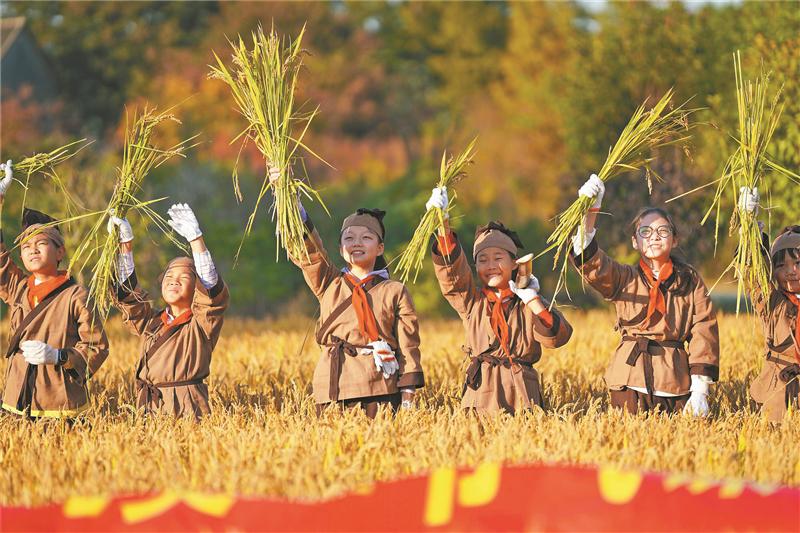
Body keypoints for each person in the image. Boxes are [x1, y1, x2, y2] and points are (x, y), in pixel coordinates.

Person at [268, 167, 425, 417]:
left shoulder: (394, 291)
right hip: (333, 386)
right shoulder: (329, 282)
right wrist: (286, 196)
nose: (356, 244)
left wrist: (408, 396)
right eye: (349, 238)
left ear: (380, 246)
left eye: (366, 238)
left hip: (379, 385)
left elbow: (408, 346)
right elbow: (309, 252)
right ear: (341, 249)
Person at [569, 174, 719, 415]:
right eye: (645, 232)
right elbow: (592, 264)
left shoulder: (690, 281)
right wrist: (590, 212)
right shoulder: (624, 278)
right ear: (635, 242)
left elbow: (704, 329)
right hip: (629, 378)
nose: (654, 236)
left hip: (675, 382)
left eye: (663, 231)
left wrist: (700, 390)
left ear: (675, 238)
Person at [425, 186, 572, 414]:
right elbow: (452, 275)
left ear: (514, 263)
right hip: (480, 394)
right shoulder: (471, 302)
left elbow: (558, 338)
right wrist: (442, 224)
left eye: (498, 258)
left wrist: (534, 302)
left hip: (522, 394)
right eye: (482, 259)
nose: (490, 265)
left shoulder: (528, 301)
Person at [0, 159, 109, 419]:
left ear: (60, 251)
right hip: (15, 398)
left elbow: (98, 347)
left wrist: (59, 356)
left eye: (41, 243)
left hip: (60, 405)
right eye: (25, 246)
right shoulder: (17, 287)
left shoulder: (76, 295)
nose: (32, 249)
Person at [108, 203, 229, 420]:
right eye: (169, 277)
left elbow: (213, 296)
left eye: (183, 277)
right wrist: (125, 246)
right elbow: (129, 298)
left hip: (187, 405)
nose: (174, 281)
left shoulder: (201, 325)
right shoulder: (151, 321)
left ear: (197, 287)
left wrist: (196, 241)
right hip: (148, 407)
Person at [740, 187, 800, 422]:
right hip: (778, 394)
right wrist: (749, 225)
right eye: (780, 265)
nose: (790, 272)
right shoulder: (772, 303)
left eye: (797, 262)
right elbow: (754, 274)